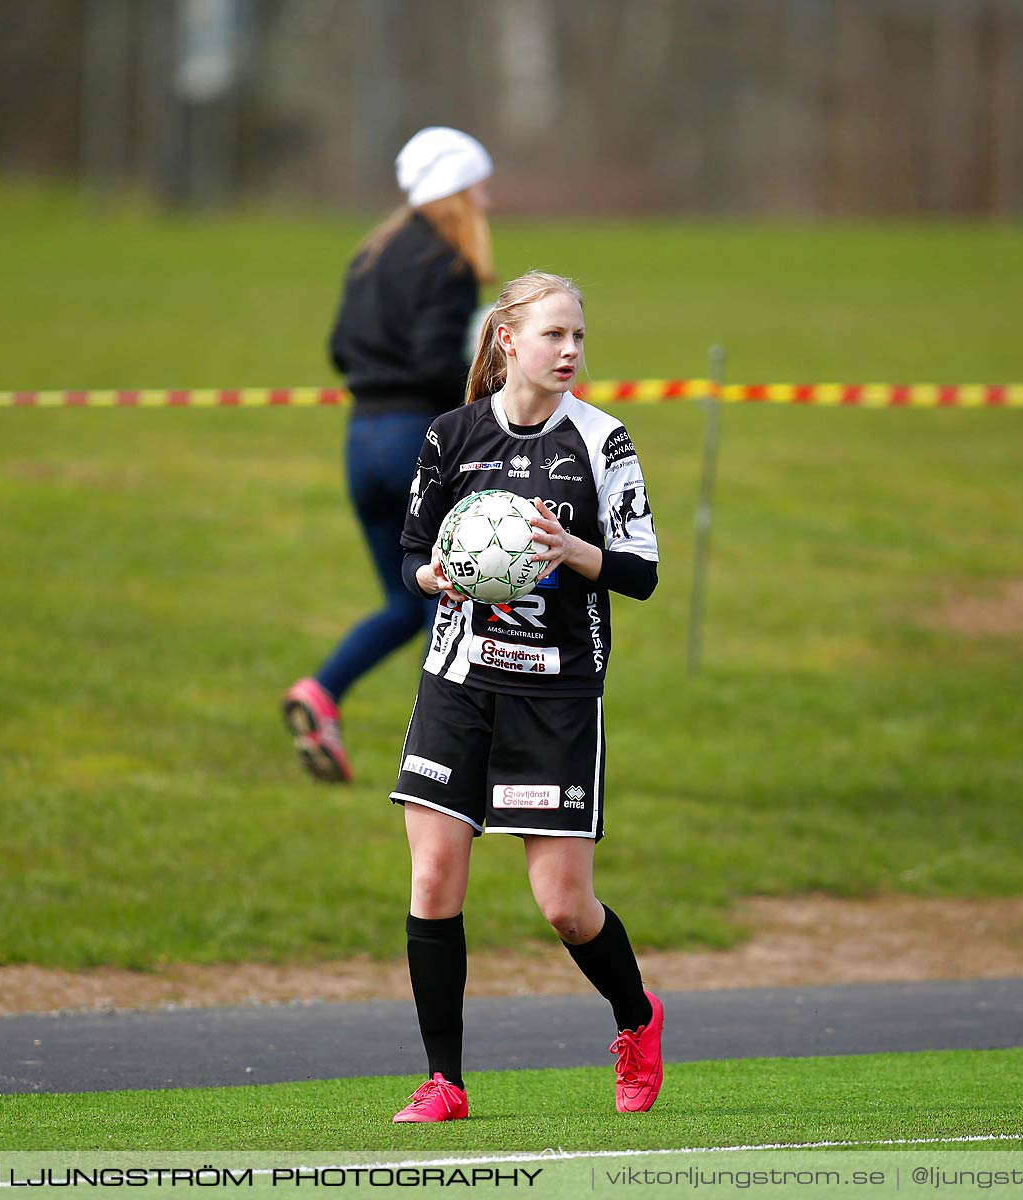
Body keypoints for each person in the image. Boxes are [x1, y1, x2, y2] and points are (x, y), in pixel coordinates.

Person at [385, 271, 664, 1123]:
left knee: (564, 907)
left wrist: (569, 549)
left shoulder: (603, 441)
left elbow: (642, 573)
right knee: (433, 879)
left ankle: (637, 1020)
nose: (572, 350)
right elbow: (410, 557)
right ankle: (445, 1083)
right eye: (554, 335)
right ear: (508, 340)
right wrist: (439, 573)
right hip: (459, 682)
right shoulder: (451, 435)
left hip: (557, 696)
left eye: (579, 335)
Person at [284, 126, 496, 784]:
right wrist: (489, 389)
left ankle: (321, 693)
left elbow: (340, 349)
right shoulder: (448, 260)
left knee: (409, 601)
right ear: (457, 191)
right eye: (479, 186)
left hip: (362, 444)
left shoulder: (371, 254)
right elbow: (437, 360)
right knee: (453, 602)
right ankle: (454, 758)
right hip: (414, 445)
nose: (487, 200)